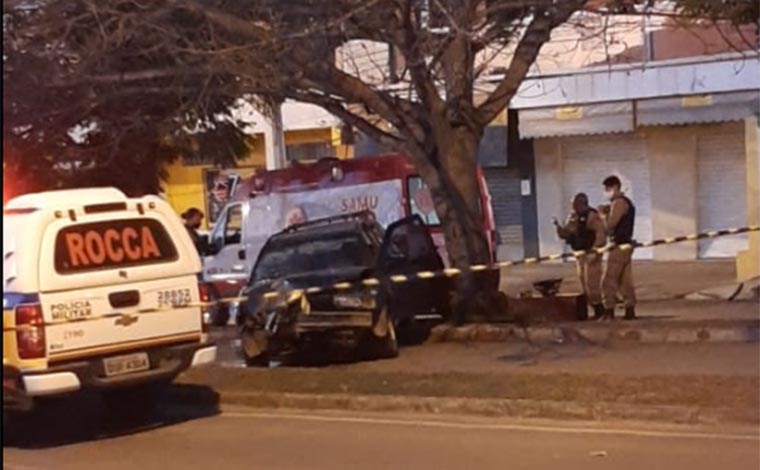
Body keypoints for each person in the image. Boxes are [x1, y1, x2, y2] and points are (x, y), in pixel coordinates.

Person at [554, 193, 607, 319]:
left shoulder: (592, 216)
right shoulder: (573, 216)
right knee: (583, 283)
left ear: (582, 203)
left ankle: (600, 309)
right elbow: (566, 233)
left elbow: (601, 234)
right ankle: (593, 308)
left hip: (591, 254)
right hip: (580, 255)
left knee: (592, 282)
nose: (573, 207)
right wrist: (558, 227)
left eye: (575, 204)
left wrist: (595, 250)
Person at [598, 176, 637, 320]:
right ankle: (629, 310)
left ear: (614, 188)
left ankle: (608, 311)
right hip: (626, 246)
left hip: (618, 247)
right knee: (625, 280)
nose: (605, 192)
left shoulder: (619, 203)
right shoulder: (627, 202)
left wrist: (603, 215)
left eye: (607, 189)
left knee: (608, 280)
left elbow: (610, 225)